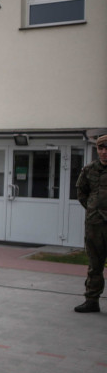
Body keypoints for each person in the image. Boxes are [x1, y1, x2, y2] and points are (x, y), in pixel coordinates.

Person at [74, 134, 107, 313]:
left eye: (106, 149)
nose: (104, 152)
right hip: (95, 224)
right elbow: (82, 192)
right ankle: (92, 300)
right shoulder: (89, 170)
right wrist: (93, 208)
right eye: (101, 149)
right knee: (95, 264)